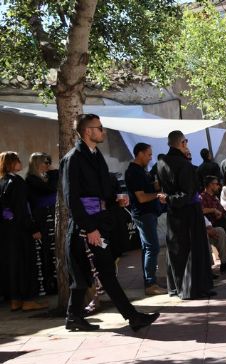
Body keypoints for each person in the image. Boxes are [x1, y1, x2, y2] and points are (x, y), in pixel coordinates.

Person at [60, 114, 159, 331]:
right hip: (86, 228)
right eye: (100, 128)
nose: (103, 131)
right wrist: (89, 228)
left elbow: (105, 186)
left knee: (81, 276)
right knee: (105, 272)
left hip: (100, 223)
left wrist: (116, 197)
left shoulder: (96, 156)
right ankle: (133, 317)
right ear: (88, 132)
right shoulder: (73, 159)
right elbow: (71, 199)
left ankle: (72, 317)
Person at [156, 130, 216, 299]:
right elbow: (187, 193)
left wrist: (168, 198)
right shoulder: (183, 164)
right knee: (191, 249)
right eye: (186, 142)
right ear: (182, 143)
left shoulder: (161, 162)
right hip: (189, 213)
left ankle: (176, 287)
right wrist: (171, 198)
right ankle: (193, 288)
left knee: (177, 249)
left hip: (174, 211)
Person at [0, 152, 48, 311]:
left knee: (13, 265)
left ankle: (15, 300)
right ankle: (28, 300)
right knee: (27, 264)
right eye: (17, 160)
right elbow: (22, 209)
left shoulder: (2, 181)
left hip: (7, 231)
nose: (21, 162)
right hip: (21, 230)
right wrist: (33, 228)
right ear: (11, 163)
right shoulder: (17, 182)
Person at [124, 143, 165, 296]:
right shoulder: (133, 172)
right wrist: (158, 195)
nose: (150, 158)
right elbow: (141, 198)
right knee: (152, 247)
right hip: (143, 213)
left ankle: (150, 280)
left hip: (148, 213)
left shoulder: (142, 171)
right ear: (140, 153)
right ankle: (150, 283)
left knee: (147, 248)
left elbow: (150, 187)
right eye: (148, 154)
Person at [26, 152, 59, 295]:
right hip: (42, 219)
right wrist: (53, 173)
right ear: (37, 164)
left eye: (49, 162)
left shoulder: (43, 177)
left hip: (51, 215)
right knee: (47, 252)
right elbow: (50, 189)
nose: (48, 165)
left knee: (55, 249)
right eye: (45, 163)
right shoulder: (31, 179)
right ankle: (49, 284)